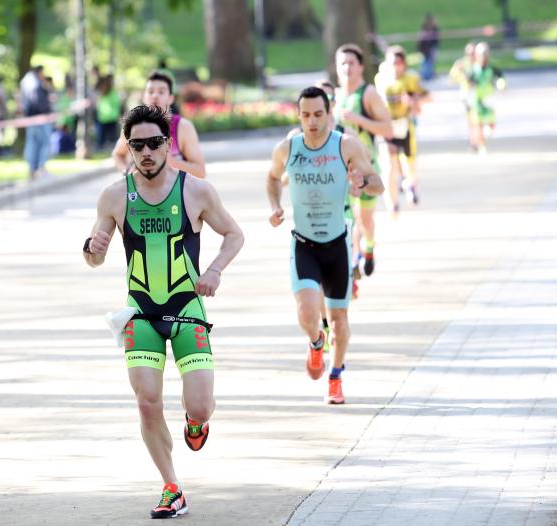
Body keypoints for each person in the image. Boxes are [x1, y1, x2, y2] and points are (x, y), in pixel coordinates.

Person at [83, 105, 243, 519]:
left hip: (187, 308)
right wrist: (92, 249)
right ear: (129, 148)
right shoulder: (115, 195)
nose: (147, 151)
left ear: (168, 143)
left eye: (155, 143)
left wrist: (214, 270)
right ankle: (171, 486)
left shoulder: (196, 190)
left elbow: (234, 235)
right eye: (138, 145)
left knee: (201, 405)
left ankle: (196, 422)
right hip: (141, 313)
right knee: (147, 402)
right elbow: (95, 256)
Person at [266, 86, 384, 404]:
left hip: (337, 245)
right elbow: (273, 177)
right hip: (304, 243)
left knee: (339, 319)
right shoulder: (288, 148)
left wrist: (362, 183)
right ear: (299, 116)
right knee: (306, 312)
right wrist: (275, 206)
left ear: (329, 113)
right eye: (306, 115)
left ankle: (335, 376)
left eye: (318, 114)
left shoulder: (345, 145)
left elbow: (378, 182)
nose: (312, 121)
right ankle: (317, 342)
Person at [333, 43, 392, 277]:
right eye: (342, 63)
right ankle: (353, 260)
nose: (347, 68)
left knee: (365, 219)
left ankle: (368, 247)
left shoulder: (367, 94)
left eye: (351, 63)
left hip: (366, 166)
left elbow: (388, 129)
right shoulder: (336, 96)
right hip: (341, 169)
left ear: (361, 66)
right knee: (350, 218)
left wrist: (359, 118)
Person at [112, 71, 205, 179]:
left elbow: (200, 172)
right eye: (150, 92)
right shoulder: (133, 126)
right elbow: (117, 154)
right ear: (144, 97)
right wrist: (127, 172)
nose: (155, 96)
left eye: (161, 92)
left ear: (171, 98)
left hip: (175, 193)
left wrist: (170, 162)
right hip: (142, 193)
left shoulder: (183, 127)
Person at [375, 46, 431, 212]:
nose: (396, 67)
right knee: (389, 166)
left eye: (399, 63)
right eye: (393, 63)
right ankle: (392, 204)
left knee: (409, 165)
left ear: (404, 64)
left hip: (405, 126)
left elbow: (427, 97)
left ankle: (410, 184)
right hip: (386, 127)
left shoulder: (411, 79)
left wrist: (413, 101)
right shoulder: (380, 79)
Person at [466, 42, 505, 156]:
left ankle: (485, 136)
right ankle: (481, 146)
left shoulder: (492, 69)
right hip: (478, 100)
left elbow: (500, 78)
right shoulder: (473, 69)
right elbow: (468, 83)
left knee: (491, 122)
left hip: (489, 99)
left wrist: (501, 84)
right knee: (478, 124)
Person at [20, 65, 52, 179]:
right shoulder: (34, 83)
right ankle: (40, 168)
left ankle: (32, 169)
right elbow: (36, 101)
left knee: (32, 144)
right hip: (39, 118)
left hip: (31, 119)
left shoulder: (26, 81)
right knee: (43, 143)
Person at [449, 42, 477, 150]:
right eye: (469, 53)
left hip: (478, 93)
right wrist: (459, 72)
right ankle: (473, 139)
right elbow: (453, 77)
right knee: (471, 118)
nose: (471, 55)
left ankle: (477, 137)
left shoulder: (478, 63)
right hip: (467, 94)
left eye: (473, 53)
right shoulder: (462, 63)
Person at [94, 73, 122, 150]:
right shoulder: (101, 94)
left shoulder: (113, 93)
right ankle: (101, 149)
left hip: (111, 119)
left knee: (112, 138)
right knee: (101, 138)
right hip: (102, 119)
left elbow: (117, 105)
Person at [418, 13, 440, 81]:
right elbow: (423, 39)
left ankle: (429, 74)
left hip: (431, 47)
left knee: (430, 61)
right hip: (426, 48)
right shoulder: (425, 27)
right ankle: (425, 75)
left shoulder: (434, 28)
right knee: (426, 61)